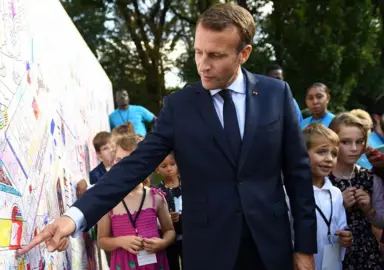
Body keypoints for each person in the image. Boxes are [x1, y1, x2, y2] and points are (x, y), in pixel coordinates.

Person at [17, 3, 317, 270]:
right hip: (208, 251)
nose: (203, 64)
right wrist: (75, 217)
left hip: (270, 248)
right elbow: (133, 167)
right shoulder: (179, 106)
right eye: (198, 51)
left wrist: (304, 248)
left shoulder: (276, 94)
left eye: (215, 55)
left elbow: (298, 175)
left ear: (244, 54)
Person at [97, 135, 175, 269]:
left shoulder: (155, 197)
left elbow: (170, 231)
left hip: (154, 264)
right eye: (119, 160)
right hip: (124, 264)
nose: (123, 165)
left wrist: (163, 243)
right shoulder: (108, 201)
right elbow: (102, 241)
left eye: (129, 160)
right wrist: (120, 241)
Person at [328, 113, 384, 269]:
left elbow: (380, 222)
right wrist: (339, 206)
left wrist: (369, 210)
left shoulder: (370, 177)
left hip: (367, 255)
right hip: (332, 254)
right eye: (345, 142)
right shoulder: (323, 179)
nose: (354, 148)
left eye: (359, 142)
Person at [302, 124, 352, 269]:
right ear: (303, 153)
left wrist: (346, 237)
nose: (329, 159)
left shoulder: (335, 193)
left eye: (334, 153)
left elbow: (342, 226)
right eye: (322, 152)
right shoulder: (289, 193)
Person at [155, 153, 183, 270]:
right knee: (172, 264)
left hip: (190, 234)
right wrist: (166, 218)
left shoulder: (188, 185)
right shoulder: (157, 191)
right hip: (168, 239)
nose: (169, 169)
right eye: (164, 166)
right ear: (157, 170)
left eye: (172, 164)